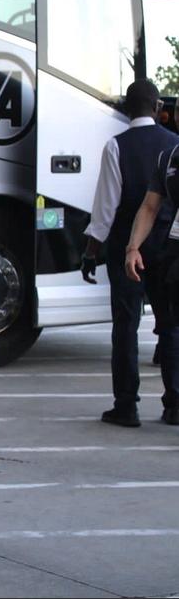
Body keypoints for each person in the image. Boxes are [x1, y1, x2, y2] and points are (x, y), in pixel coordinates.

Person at [80, 79, 179, 427]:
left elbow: (106, 208)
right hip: (167, 251)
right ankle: (174, 404)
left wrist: (91, 251)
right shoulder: (174, 145)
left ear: (125, 109)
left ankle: (126, 405)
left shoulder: (116, 146)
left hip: (127, 249)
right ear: (157, 110)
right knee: (169, 327)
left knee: (126, 326)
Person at [124, 133, 179, 425]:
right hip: (172, 255)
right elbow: (149, 206)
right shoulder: (169, 159)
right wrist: (133, 247)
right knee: (171, 329)